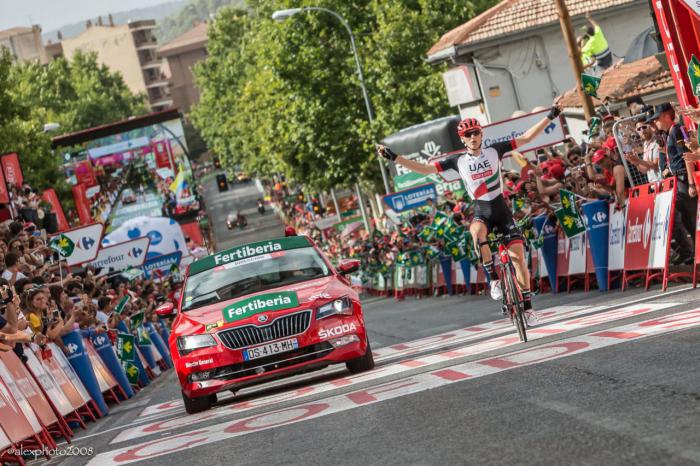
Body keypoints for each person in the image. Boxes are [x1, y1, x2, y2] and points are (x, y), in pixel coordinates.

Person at [377, 99, 563, 320]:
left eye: (476, 133)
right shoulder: (457, 161)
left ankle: (529, 307)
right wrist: (395, 157)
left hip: (501, 211)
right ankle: (493, 278)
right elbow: (425, 169)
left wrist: (551, 115)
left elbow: (527, 137)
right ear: (462, 139)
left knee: (518, 258)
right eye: (468, 135)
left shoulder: (496, 150)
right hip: (482, 212)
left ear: (481, 134)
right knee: (476, 233)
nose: (473, 137)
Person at [647, 103, 697, 264]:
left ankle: (692, 252)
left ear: (667, 116)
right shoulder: (669, 133)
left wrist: (691, 184)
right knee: (687, 220)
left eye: (657, 119)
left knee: (691, 219)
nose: (655, 122)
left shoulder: (677, 130)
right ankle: (694, 253)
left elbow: (687, 156)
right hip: (677, 180)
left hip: (683, 179)